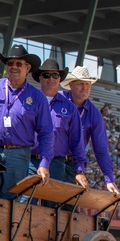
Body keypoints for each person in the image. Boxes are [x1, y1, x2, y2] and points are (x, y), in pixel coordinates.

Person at [0, 44, 54, 199]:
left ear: (28, 68)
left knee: (11, 200)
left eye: (19, 64)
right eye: (10, 63)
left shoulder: (37, 97)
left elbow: (46, 132)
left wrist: (44, 163)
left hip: (19, 153)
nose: (14, 67)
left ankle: (1, 225)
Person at [23, 59, 88, 205]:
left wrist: (79, 170)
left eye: (55, 75)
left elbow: (77, 141)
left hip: (56, 163)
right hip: (29, 160)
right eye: (46, 75)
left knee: (53, 208)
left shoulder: (70, 108)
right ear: (40, 77)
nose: (51, 79)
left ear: (60, 78)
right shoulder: (28, 101)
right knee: (24, 204)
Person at [61, 66, 120, 193]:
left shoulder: (94, 114)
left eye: (87, 84)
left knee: (69, 205)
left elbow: (101, 149)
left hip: (74, 164)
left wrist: (109, 179)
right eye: (80, 84)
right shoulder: (58, 100)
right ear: (71, 85)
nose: (85, 87)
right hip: (52, 159)